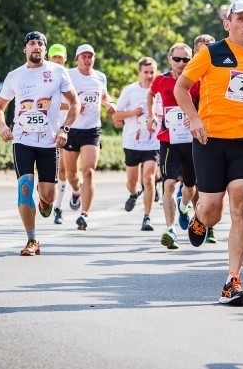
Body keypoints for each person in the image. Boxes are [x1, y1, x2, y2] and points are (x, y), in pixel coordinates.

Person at [174, 0, 243, 306]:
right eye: (241, 19)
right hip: (209, 141)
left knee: (242, 205)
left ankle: (232, 281)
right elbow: (182, 87)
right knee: (212, 209)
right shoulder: (211, 53)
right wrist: (194, 120)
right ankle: (199, 219)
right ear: (227, 24)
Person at [0, 31, 78, 256]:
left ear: (45, 49)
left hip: (49, 142)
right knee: (24, 188)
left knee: (48, 195)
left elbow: (75, 103)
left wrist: (64, 129)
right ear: (25, 49)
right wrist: (2, 127)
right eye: (32, 43)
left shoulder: (58, 72)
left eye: (40, 43)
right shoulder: (15, 76)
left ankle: (45, 203)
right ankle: (32, 240)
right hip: (22, 140)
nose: (36, 46)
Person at [147, 43, 199, 249]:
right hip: (169, 140)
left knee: (190, 187)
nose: (181, 63)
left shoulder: (196, 81)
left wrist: (195, 117)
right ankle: (170, 230)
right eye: (177, 59)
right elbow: (151, 94)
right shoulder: (161, 80)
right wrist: (151, 115)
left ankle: (184, 207)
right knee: (168, 184)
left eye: (186, 59)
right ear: (170, 60)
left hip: (191, 140)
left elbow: (205, 103)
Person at [64, 44, 116, 231]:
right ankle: (76, 191)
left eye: (90, 56)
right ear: (77, 58)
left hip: (91, 130)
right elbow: (57, 102)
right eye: (84, 56)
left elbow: (104, 97)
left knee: (89, 171)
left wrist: (111, 104)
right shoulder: (68, 75)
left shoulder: (99, 77)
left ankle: (84, 214)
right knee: (71, 174)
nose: (88, 60)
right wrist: (75, 107)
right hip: (71, 129)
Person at [113, 57, 160, 232]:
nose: (149, 76)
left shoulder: (160, 91)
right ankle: (134, 193)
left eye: (152, 72)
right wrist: (134, 112)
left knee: (148, 179)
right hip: (132, 142)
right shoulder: (130, 90)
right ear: (139, 72)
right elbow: (116, 116)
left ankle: (147, 217)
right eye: (146, 72)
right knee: (132, 182)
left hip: (153, 143)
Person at [192, 33, 219, 244]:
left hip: (223, 135)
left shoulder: (222, 71)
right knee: (195, 185)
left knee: (233, 191)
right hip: (194, 136)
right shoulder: (192, 77)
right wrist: (192, 117)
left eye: (210, 48)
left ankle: (210, 225)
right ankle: (200, 218)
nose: (206, 53)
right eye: (201, 50)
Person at [48, 43, 71, 225]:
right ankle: (54, 204)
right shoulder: (44, 76)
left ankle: (62, 203)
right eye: (54, 57)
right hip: (49, 129)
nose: (57, 60)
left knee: (67, 171)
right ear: (49, 59)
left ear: (65, 59)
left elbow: (76, 102)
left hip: (68, 128)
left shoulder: (70, 76)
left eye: (60, 57)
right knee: (56, 170)